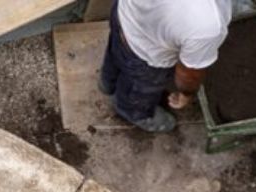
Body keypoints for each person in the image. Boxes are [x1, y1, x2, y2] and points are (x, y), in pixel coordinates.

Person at [99, 0, 233, 132]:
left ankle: (107, 82)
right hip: (149, 56)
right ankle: (132, 111)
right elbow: (189, 74)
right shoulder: (208, 24)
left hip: (124, 16)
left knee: (116, 52)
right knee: (141, 87)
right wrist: (187, 94)